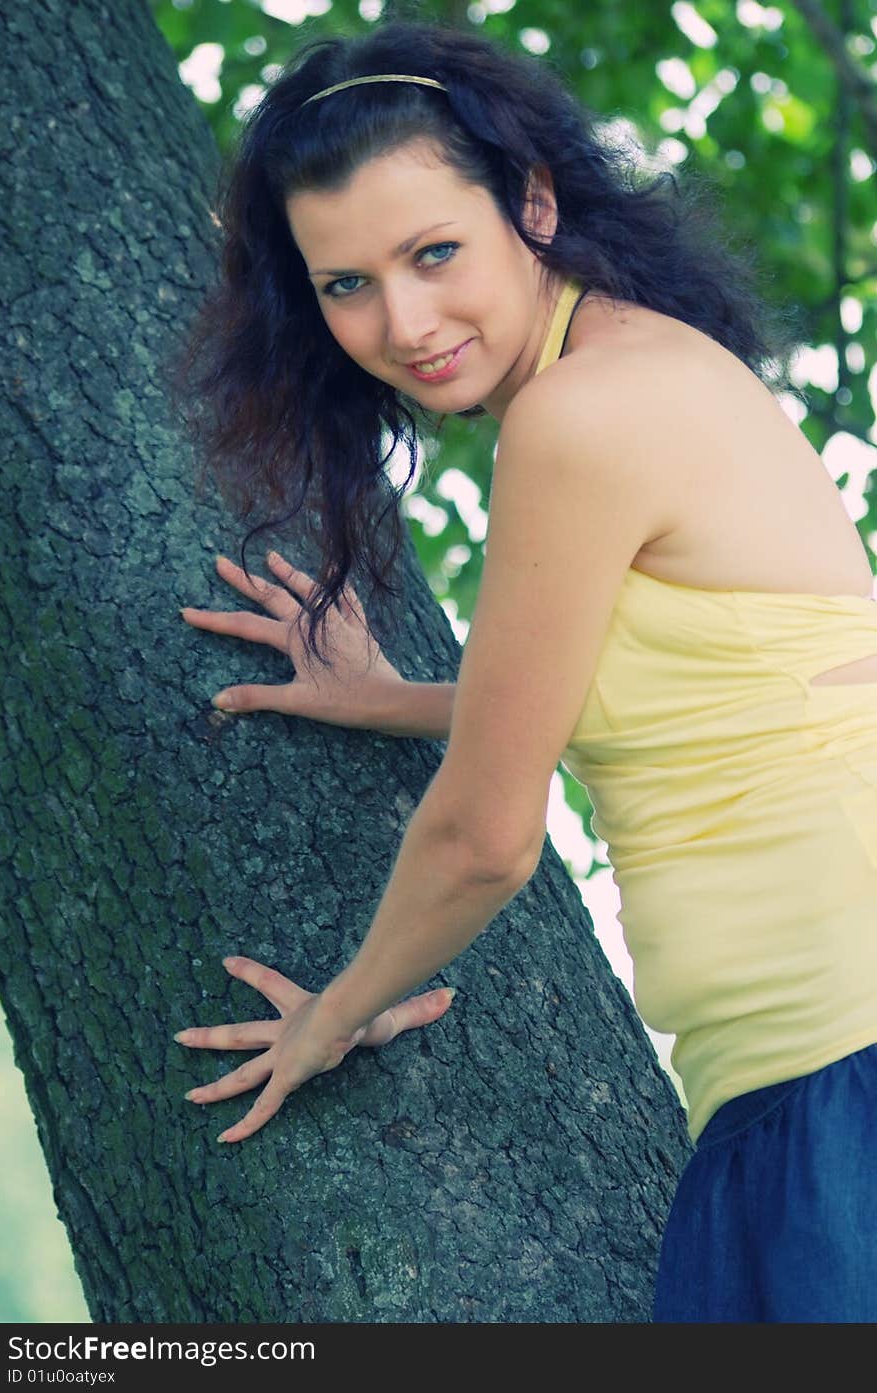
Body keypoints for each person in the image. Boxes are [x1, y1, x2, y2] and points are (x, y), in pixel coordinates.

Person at [167, 19, 877, 1322]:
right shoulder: (633, 368)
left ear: (532, 204)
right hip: (800, 1083)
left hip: (839, 1078)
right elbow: (676, 701)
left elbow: (486, 837)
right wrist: (383, 695)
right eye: (347, 285)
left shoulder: (578, 417)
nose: (406, 322)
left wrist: (337, 1012)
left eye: (435, 252)